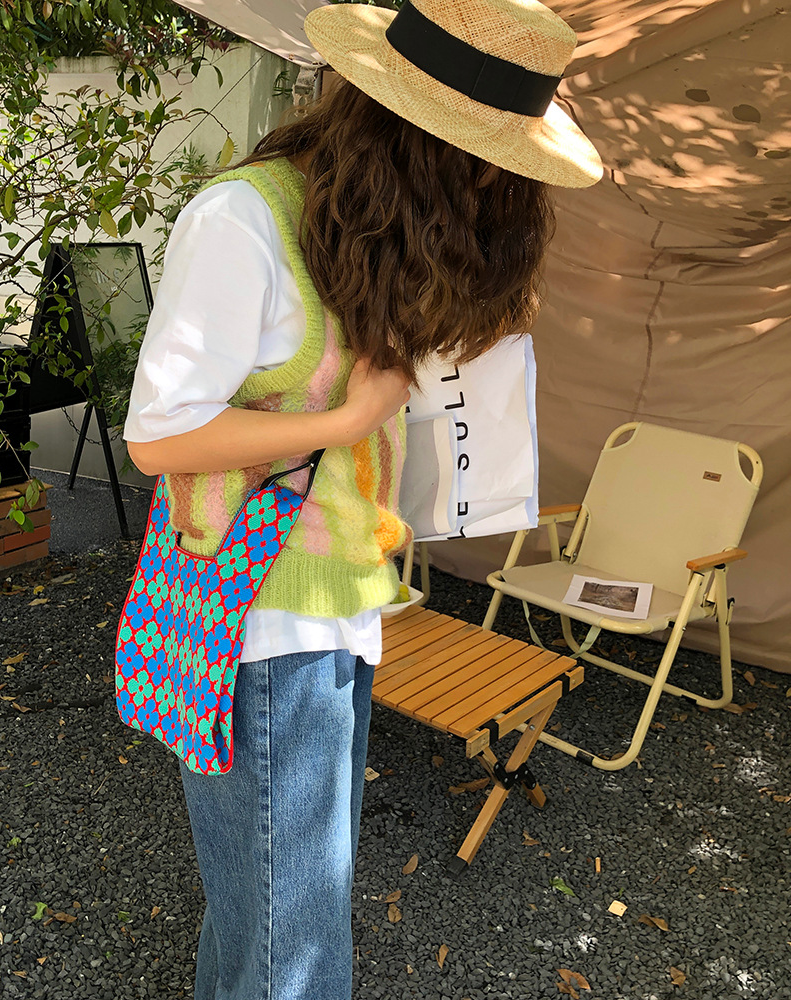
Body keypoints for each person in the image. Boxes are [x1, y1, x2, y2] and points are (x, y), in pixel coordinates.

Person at [123, 1, 602, 997]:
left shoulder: (369, 232)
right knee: (289, 951)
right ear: (412, 137)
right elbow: (158, 436)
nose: (494, 185)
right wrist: (340, 423)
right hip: (252, 623)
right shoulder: (246, 219)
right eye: (482, 158)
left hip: (338, 610)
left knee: (263, 921)